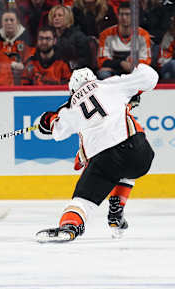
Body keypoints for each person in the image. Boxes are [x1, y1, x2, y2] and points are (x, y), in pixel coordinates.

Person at [35, 63, 158, 243]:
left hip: (105, 160)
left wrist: (49, 120)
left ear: (72, 91)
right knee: (128, 163)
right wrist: (136, 73)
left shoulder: (69, 107)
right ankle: (117, 208)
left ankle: (69, 227)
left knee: (82, 201)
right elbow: (150, 77)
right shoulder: (110, 84)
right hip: (140, 154)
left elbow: (57, 132)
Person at [97, 2, 152, 79]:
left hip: (135, 70)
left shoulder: (143, 34)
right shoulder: (106, 34)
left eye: (128, 14)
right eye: (121, 14)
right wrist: (121, 63)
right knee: (103, 73)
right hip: (114, 70)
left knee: (146, 73)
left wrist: (132, 66)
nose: (124, 17)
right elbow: (102, 61)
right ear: (117, 16)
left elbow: (146, 61)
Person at [48, 5, 95, 70]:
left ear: (67, 18)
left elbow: (85, 60)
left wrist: (66, 66)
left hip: (74, 72)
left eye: (60, 15)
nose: (56, 18)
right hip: (53, 71)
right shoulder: (48, 36)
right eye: (54, 16)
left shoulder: (78, 36)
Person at [0, 10, 34, 84]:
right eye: (6, 20)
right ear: (1, 23)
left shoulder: (27, 38)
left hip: (22, 81)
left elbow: (31, 61)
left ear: (18, 22)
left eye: (12, 20)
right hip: (1, 81)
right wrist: (12, 64)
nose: (9, 23)